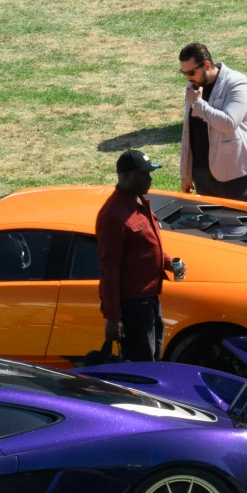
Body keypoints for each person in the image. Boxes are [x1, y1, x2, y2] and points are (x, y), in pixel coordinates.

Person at [94, 152, 180, 361]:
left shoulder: (140, 202)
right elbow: (110, 268)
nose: (149, 179)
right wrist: (113, 317)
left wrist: (167, 262)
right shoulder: (113, 215)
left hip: (150, 300)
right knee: (141, 366)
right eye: (143, 174)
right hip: (133, 307)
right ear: (124, 177)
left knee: (153, 358)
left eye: (150, 173)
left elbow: (143, 247)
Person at [177, 42, 247, 201]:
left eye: (191, 72)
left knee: (237, 225)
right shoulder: (194, 85)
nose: (188, 78)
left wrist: (198, 104)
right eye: (183, 73)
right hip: (202, 174)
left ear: (206, 65)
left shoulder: (237, 83)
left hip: (234, 176)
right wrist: (185, 174)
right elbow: (188, 131)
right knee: (210, 225)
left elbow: (229, 123)